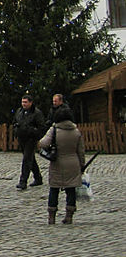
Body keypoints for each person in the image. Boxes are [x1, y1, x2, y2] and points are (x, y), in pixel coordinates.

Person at [40, 94, 85, 225]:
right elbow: (80, 151)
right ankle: (69, 215)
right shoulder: (76, 131)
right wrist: (81, 165)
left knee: (54, 189)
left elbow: (43, 143)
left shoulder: (54, 130)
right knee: (71, 190)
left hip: (57, 162)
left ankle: (51, 216)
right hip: (73, 162)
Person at [13, 94, 45, 190]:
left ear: (31, 102)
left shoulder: (36, 113)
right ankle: (38, 177)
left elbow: (41, 127)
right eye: (23, 102)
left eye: (26, 102)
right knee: (30, 159)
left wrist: (33, 132)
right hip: (21, 138)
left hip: (31, 139)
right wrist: (16, 130)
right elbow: (15, 121)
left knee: (27, 159)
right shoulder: (19, 111)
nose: (24, 104)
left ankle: (23, 181)